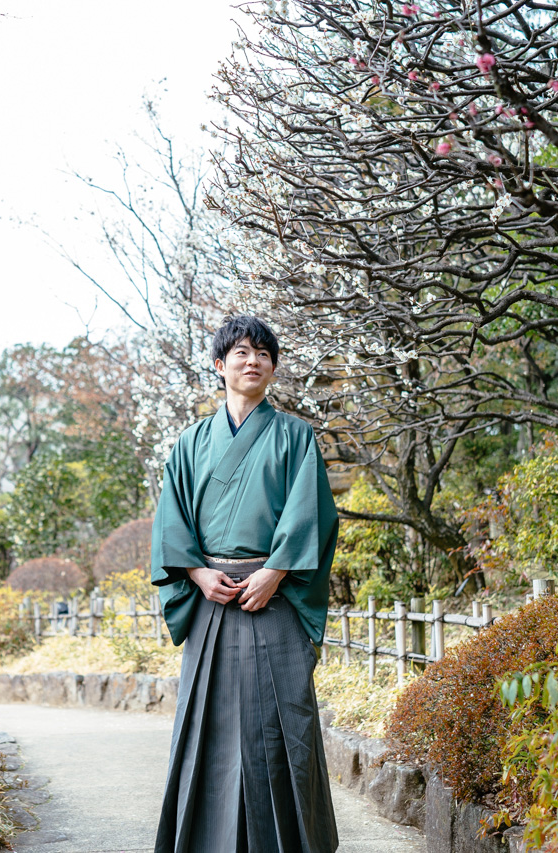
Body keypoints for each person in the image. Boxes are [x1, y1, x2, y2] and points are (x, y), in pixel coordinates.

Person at [152, 316, 340, 853]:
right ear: (220, 365)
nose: (252, 360)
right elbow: (172, 520)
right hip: (212, 597)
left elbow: (312, 517)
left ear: (274, 367)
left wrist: (276, 572)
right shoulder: (190, 443)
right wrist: (195, 572)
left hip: (273, 599)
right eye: (240, 352)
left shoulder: (296, 437)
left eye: (262, 353)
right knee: (207, 729)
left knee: (283, 732)